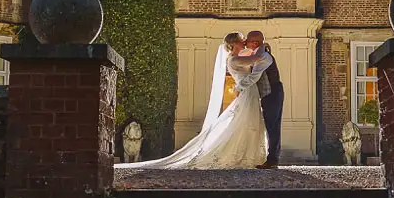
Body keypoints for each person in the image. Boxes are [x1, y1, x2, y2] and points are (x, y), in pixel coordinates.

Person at [115, 33, 269, 170]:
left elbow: (253, 58)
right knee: (246, 123)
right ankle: (237, 155)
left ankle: (248, 155)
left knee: (250, 122)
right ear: (233, 44)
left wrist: (255, 47)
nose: (244, 42)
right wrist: (262, 44)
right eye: (241, 41)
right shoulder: (234, 59)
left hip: (249, 92)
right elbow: (256, 58)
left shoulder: (239, 57)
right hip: (247, 93)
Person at [233, 30, 282, 170]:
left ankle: (272, 160)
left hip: (272, 93)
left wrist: (238, 87)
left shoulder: (264, 57)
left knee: (272, 126)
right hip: (268, 94)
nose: (244, 42)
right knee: (269, 125)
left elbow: (254, 76)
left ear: (254, 43)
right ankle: (271, 159)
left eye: (247, 40)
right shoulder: (258, 54)